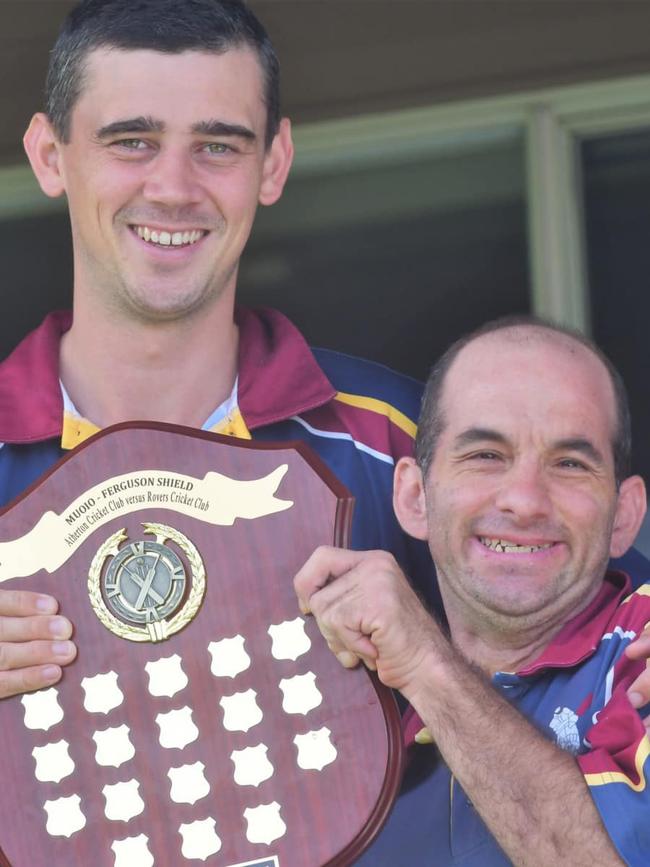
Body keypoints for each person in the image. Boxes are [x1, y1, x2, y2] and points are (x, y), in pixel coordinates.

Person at [0, 0, 432, 701]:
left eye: (218, 146)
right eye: (132, 141)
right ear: (51, 157)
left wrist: (433, 653)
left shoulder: (397, 439)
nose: (173, 188)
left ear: (274, 162)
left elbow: (597, 636)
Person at [295, 318, 650, 866]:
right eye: (486, 455)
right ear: (414, 496)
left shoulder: (642, 655)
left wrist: (426, 664)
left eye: (570, 463)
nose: (525, 500)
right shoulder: (348, 734)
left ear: (624, 516)